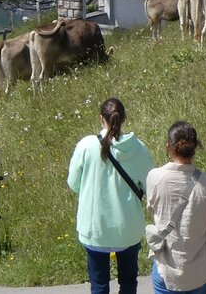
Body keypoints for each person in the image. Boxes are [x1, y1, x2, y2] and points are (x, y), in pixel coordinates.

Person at [68, 97, 154, 294]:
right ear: (123, 119)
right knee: (129, 283)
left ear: (101, 118)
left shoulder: (86, 145)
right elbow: (151, 186)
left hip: (95, 228)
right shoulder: (137, 147)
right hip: (128, 228)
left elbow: (73, 184)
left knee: (99, 286)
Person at [145, 121, 206, 294]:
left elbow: (151, 208)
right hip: (200, 271)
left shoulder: (155, 177)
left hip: (166, 270)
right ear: (195, 148)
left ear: (168, 146)